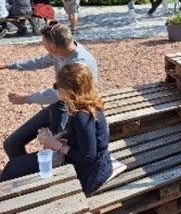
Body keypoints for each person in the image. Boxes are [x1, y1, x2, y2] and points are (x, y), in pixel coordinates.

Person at [1, 64, 112, 195]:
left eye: (57, 86)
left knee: (13, 169)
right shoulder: (90, 104)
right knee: (15, 167)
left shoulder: (81, 116)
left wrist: (57, 146)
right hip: (96, 165)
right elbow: (90, 137)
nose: (56, 89)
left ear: (69, 90)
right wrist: (65, 135)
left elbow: (88, 156)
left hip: (89, 175)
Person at [0, 22, 98, 160]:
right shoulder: (62, 50)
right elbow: (38, 62)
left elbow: (56, 94)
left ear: (53, 47)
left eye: (44, 45)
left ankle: (47, 174)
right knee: (11, 144)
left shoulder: (78, 64)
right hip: (60, 104)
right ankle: (28, 173)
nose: (44, 48)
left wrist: (26, 98)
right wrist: (7, 65)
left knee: (56, 154)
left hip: (77, 111)